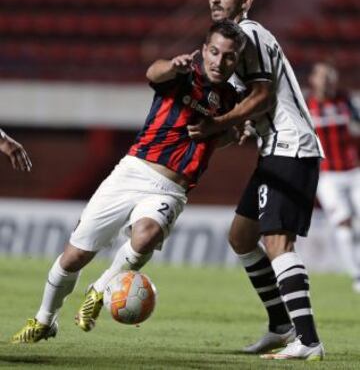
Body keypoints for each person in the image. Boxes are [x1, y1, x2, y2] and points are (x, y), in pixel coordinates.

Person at [11, 19, 246, 343]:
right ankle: (44, 319)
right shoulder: (182, 75)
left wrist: (231, 134)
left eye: (229, 57)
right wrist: (172, 65)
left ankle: (101, 287)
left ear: (237, 59)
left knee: (146, 235)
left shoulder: (232, 98)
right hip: (132, 171)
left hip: (172, 188)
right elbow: (154, 73)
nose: (220, 61)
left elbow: (218, 139)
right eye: (215, 52)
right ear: (204, 50)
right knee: (74, 257)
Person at [187, 0, 325, 360]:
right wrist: (238, 126)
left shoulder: (250, 33)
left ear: (245, 0)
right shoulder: (233, 44)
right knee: (241, 237)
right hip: (274, 147)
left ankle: (309, 340)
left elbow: (263, 95)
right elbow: (255, 104)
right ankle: (281, 324)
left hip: (290, 147)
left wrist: (220, 123)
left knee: (278, 241)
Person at [307, 62, 360, 291]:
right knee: (344, 224)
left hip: (354, 170)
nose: (327, 80)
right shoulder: (305, 104)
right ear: (313, 79)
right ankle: (357, 276)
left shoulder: (347, 100)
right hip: (327, 176)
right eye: (322, 76)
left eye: (330, 76)